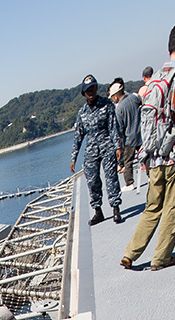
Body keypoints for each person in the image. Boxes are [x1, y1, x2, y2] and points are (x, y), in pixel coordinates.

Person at [121, 20, 175, 271]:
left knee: (152, 207)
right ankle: (161, 257)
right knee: (174, 207)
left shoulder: (155, 78)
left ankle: (130, 254)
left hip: (154, 155)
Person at [70, 75, 123, 224]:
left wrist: (118, 147)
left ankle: (116, 209)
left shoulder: (107, 104)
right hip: (91, 150)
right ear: (84, 93)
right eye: (88, 90)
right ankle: (98, 211)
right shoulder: (82, 112)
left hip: (107, 145)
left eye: (93, 88)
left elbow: (113, 127)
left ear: (96, 88)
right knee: (92, 181)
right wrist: (74, 158)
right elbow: (78, 136)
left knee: (111, 178)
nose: (91, 92)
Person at [109, 81, 142, 188]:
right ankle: (151, 175)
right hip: (141, 134)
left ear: (115, 96)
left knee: (128, 162)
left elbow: (119, 128)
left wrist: (119, 144)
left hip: (129, 139)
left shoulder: (119, 108)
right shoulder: (134, 98)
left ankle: (129, 183)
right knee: (146, 157)